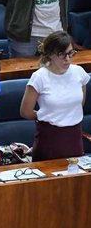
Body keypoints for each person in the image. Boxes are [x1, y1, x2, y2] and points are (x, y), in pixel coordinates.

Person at [20, 31, 89, 161]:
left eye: (70, 53)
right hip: (50, 138)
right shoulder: (39, 77)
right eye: (62, 54)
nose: (67, 59)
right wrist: (47, 114)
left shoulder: (79, 72)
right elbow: (25, 111)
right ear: (50, 54)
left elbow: (80, 103)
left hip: (74, 137)